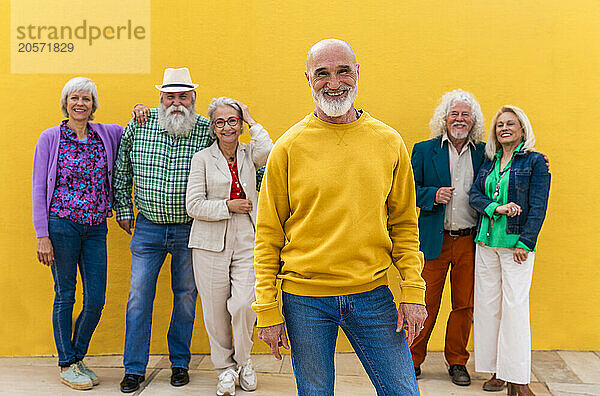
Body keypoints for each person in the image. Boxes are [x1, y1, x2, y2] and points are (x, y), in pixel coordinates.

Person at [253, 38, 427, 396]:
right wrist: (267, 308)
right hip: (304, 300)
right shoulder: (287, 147)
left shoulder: (389, 142)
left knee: (403, 391)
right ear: (308, 79)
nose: (334, 83)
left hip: (373, 294)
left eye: (343, 71)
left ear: (358, 74)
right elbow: (268, 235)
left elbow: (405, 225)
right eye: (323, 74)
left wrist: (413, 290)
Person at [113, 67, 212, 393]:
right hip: (148, 228)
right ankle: (134, 369)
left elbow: (229, 157)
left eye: (183, 95)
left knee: (186, 297)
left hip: (189, 229)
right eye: (170, 96)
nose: (176, 102)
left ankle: (179, 363)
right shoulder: (139, 126)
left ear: (193, 98)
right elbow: (121, 169)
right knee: (139, 298)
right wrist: (125, 211)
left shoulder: (205, 131)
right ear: (161, 99)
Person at [32, 77, 123, 390]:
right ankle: (66, 362)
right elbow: (38, 188)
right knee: (65, 295)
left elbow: (139, 132)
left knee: (96, 298)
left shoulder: (106, 134)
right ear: (65, 103)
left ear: (93, 105)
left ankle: (77, 355)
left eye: (86, 99)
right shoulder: (50, 138)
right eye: (74, 98)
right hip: (62, 226)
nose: (80, 104)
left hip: (97, 227)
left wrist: (142, 111)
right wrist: (41, 234)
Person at [186, 97, 273, 396]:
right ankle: (224, 369)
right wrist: (228, 205)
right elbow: (193, 205)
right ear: (213, 127)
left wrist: (251, 119)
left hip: (247, 236)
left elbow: (269, 151)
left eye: (233, 120)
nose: (227, 127)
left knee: (244, 305)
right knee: (214, 312)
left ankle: (244, 362)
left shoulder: (250, 153)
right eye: (220, 122)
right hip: (209, 240)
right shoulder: (202, 159)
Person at [469, 105, 550, 396]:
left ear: (522, 129)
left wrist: (526, 242)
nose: (504, 128)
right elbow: (474, 194)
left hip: (515, 246)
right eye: (500, 124)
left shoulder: (535, 162)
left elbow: (538, 205)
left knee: (514, 310)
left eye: (511, 124)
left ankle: (519, 379)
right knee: (489, 309)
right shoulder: (490, 161)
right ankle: (496, 372)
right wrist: (495, 207)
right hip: (485, 244)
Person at [410, 89, 486, 386]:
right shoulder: (424, 149)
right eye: (454, 113)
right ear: (444, 118)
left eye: (465, 114)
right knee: (424, 303)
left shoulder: (483, 152)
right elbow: (407, 191)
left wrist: (534, 159)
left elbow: (506, 167)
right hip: (434, 240)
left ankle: (457, 361)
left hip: (469, 240)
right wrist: (432, 194)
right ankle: (413, 359)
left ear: (473, 121)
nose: (459, 119)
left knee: (463, 305)